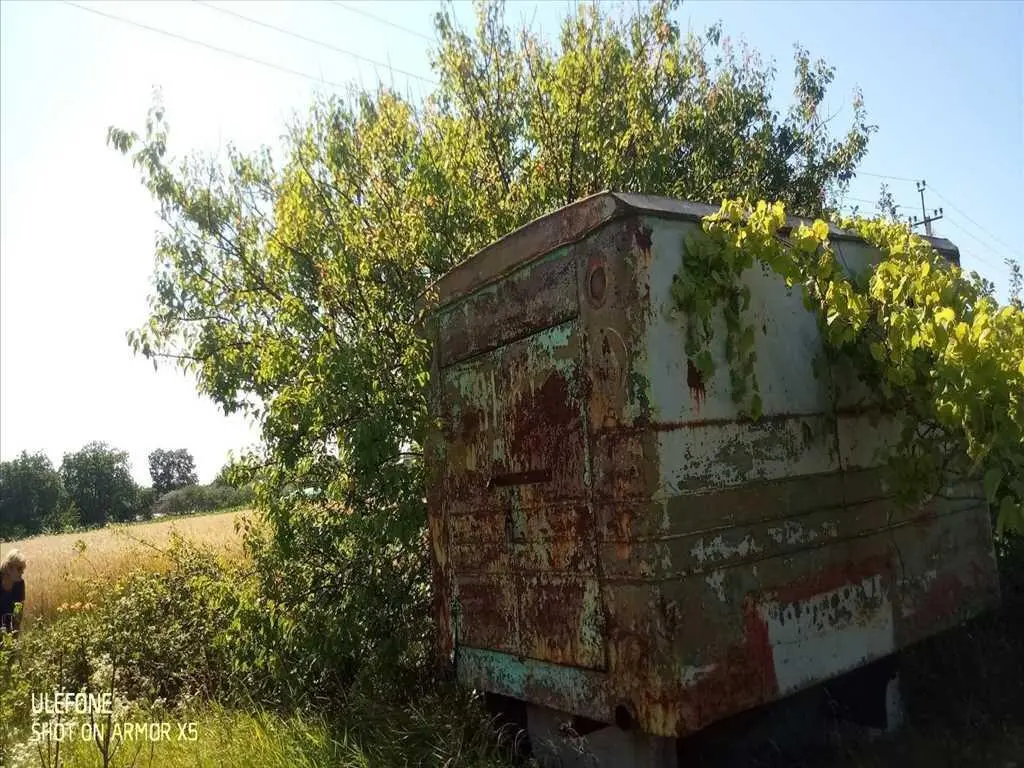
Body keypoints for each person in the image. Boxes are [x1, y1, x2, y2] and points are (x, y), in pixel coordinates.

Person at [1, 549, 27, 634]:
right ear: (9, 568)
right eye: (19, 568)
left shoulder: (20, 584)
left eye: (23, 568)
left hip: (9, 630)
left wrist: (15, 635)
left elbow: (18, 613)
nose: (22, 572)